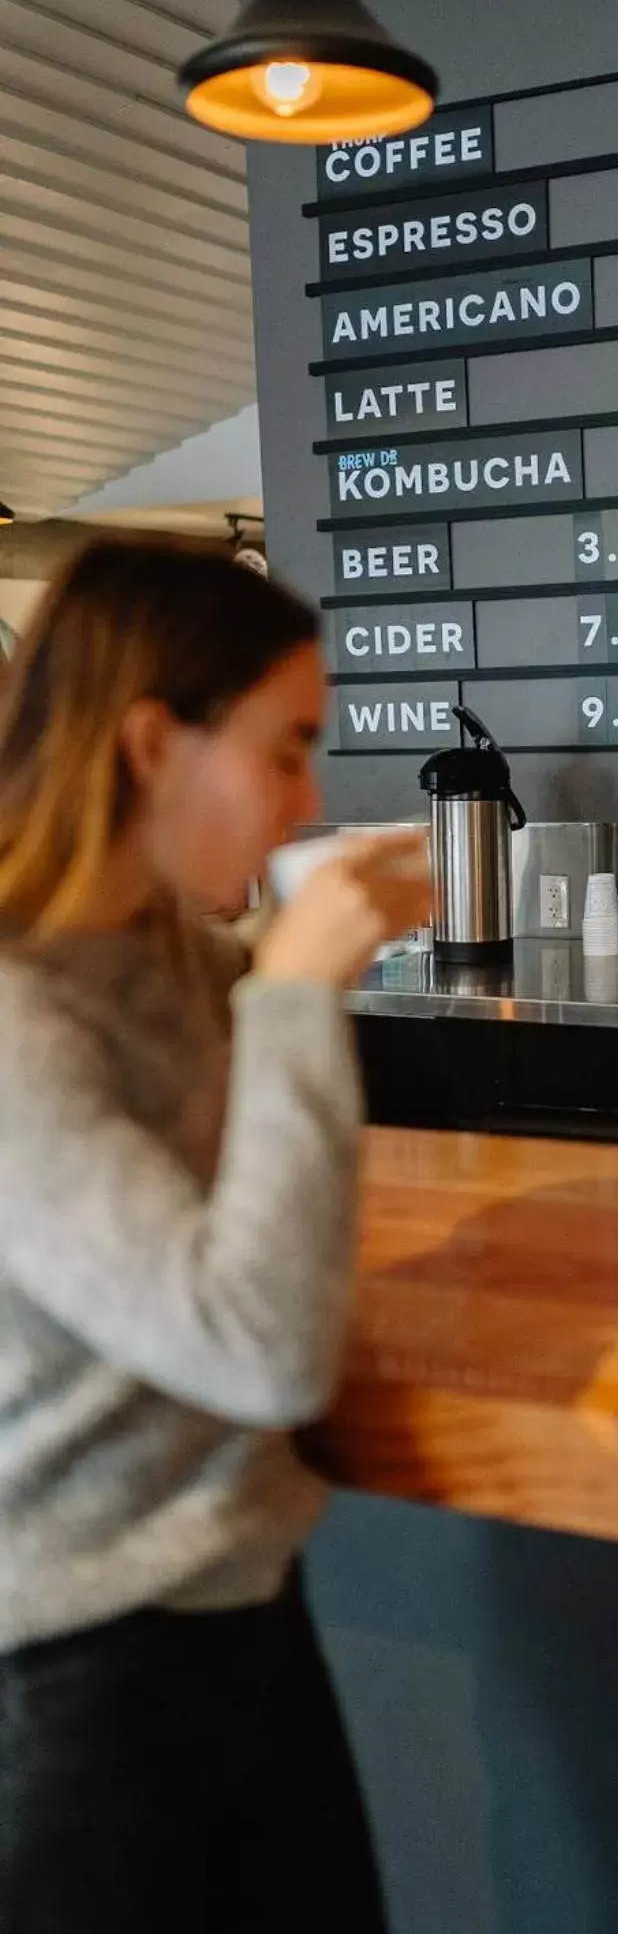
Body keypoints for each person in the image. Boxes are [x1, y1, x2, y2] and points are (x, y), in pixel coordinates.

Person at [0, 538, 430, 1933]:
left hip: (232, 1603)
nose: (310, 800)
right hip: (67, 1669)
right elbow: (261, 1350)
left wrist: (281, 978)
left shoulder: (170, 956)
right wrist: (300, 995)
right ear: (149, 744)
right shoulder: (16, 1020)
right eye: (287, 749)